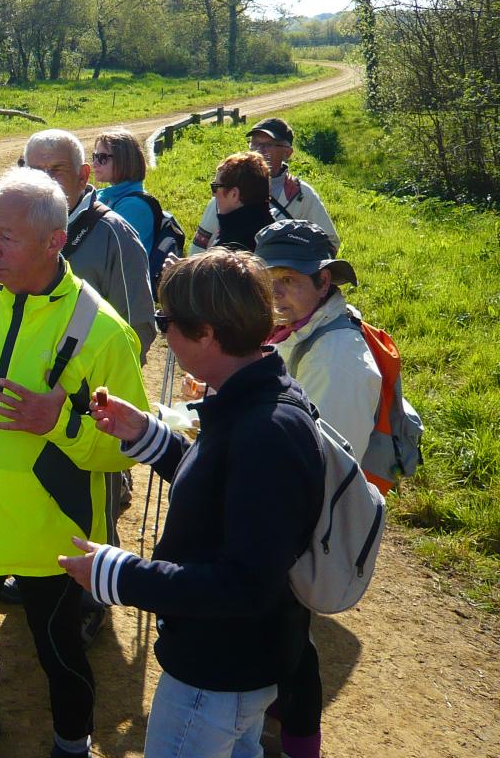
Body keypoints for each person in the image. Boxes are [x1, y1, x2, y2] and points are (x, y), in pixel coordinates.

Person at [59, 249, 325, 758]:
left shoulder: (263, 430)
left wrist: (120, 575)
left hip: (217, 673)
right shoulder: (251, 397)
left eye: (167, 322)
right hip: (238, 667)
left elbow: (245, 585)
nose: (162, 333)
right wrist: (150, 436)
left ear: (205, 332)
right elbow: (224, 489)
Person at [0, 168, 149, 758]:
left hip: (54, 540)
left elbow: (128, 447)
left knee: (60, 655)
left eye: (7, 237)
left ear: (54, 241)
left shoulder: (103, 331)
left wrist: (61, 423)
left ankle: (71, 745)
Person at [256, 219, 381, 758]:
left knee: (287, 639)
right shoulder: (299, 331)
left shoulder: (341, 362)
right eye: (269, 279)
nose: (277, 293)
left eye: (291, 280)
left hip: (300, 519)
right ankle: (277, 720)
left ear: (324, 282)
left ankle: (297, 744)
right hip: (279, 504)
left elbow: (330, 465)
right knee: (278, 636)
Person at [0, 129, 156, 362]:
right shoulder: (10, 225)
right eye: (35, 171)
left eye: (56, 170)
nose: (45, 181)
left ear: (83, 176)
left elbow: (136, 329)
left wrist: (74, 387)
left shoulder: (114, 235)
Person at [190, 117, 338, 253]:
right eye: (254, 143)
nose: (259, 151)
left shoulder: (303, 196)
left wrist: (294, 260)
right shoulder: (225, 188)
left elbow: (330, 244)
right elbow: (199, 247)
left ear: (287, 153)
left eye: (267, 145)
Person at [91, 128, 154, 253]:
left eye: (102, 157)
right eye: (94, 156)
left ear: (124, 160)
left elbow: (100, 249)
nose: (94, 164)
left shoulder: (135, 206)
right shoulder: (103, 194)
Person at [208, 151, 275, 252]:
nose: (213, 194)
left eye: (215, 187)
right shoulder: (273, 233)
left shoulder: (228, 250)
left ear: (234, 194)